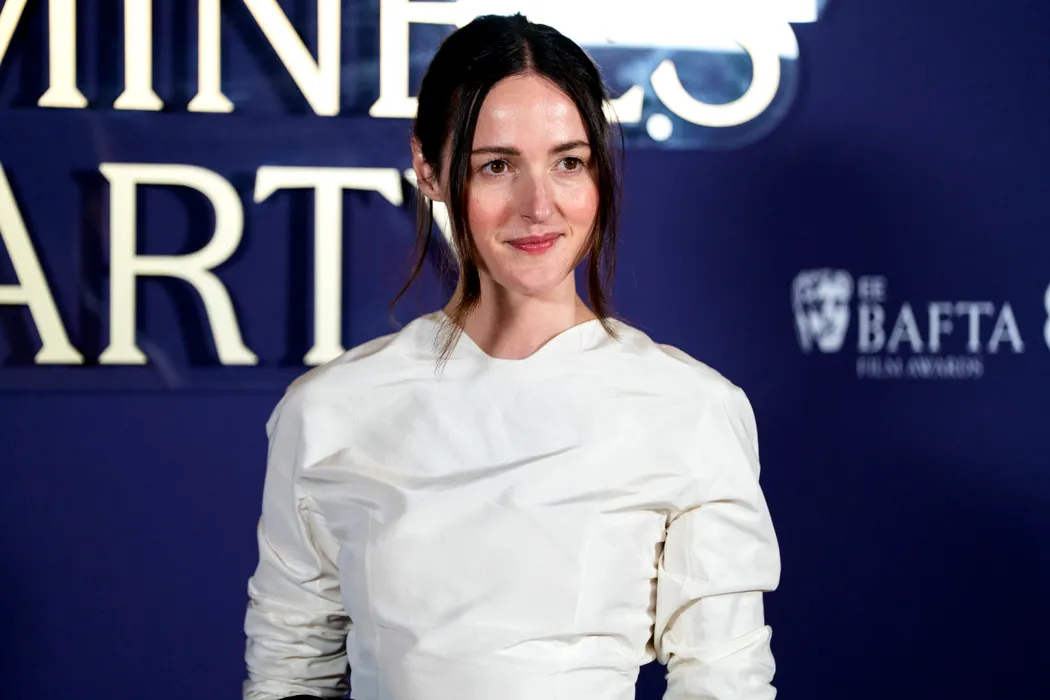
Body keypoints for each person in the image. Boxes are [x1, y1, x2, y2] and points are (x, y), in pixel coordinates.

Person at [243, 13, 780, 700]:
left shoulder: (691, 410)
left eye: (568, 162)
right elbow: (289, 673)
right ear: (429, 170)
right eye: (496, 166)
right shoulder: (329, 411)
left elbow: (724, 682)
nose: (539, 206)